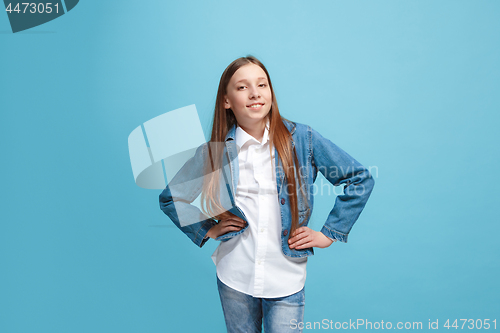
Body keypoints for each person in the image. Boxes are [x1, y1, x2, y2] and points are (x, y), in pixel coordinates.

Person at [159, 55, 375, 333]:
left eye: (262, 85)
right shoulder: (214, 152)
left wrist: (329, 233)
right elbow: (170, 198)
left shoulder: (303, 139)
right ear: (226, 101)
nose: (254, 93)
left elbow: (359, 179)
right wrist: (208, 230)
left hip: (286, 279)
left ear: (271, 92)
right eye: (242, 87)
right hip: (234, 276)